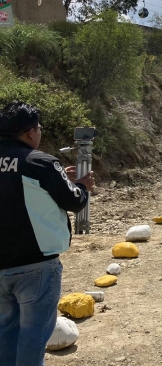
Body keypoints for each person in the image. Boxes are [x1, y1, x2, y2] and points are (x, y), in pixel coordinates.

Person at [0, 102, 95, 365]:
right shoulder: (40, 162)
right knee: (33, 335)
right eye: (39, 128)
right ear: (30, 132)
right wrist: (82, 186)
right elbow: (74, 201)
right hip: (36, 266)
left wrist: (59, 178)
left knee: (5, 332)